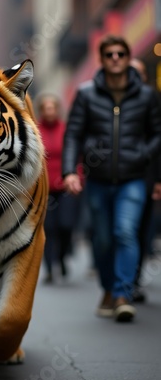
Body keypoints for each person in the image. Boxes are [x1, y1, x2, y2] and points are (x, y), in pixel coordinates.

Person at [62, 35, 161, 322]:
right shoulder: (86, 94)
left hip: (133, 178)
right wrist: (70, 171)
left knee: (125, 232)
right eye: (110, 55)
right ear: (102, 60)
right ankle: (107, 288)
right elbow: (74, 135)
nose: (115, 59)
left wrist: (145, 153)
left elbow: (157, 133)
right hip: (98, 180)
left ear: (128, 58)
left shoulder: (146, 95)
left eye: (121, 54)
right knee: (103, 239)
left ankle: (122, 294)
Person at [37, 94, 80, 283]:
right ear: (41, 111)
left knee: (66, 225)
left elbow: (76, 156)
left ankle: (62, 258)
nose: (50, 111)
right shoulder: (34, 130)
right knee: (47, 229)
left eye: (52, 108)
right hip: (43, 188)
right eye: (46, 108)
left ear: (57, 109)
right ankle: (48, 268)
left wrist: (77, 178)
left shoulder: (66, 130)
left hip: (65, 186)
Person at [129, 58, 161, 302]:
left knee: (141, 230)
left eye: (138, 73)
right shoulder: (112, 98)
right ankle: (119, 280)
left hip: (146, 176)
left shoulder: (152, 100)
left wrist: (158, 180)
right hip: (116, 177)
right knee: (121, 230)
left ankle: (133, 280)